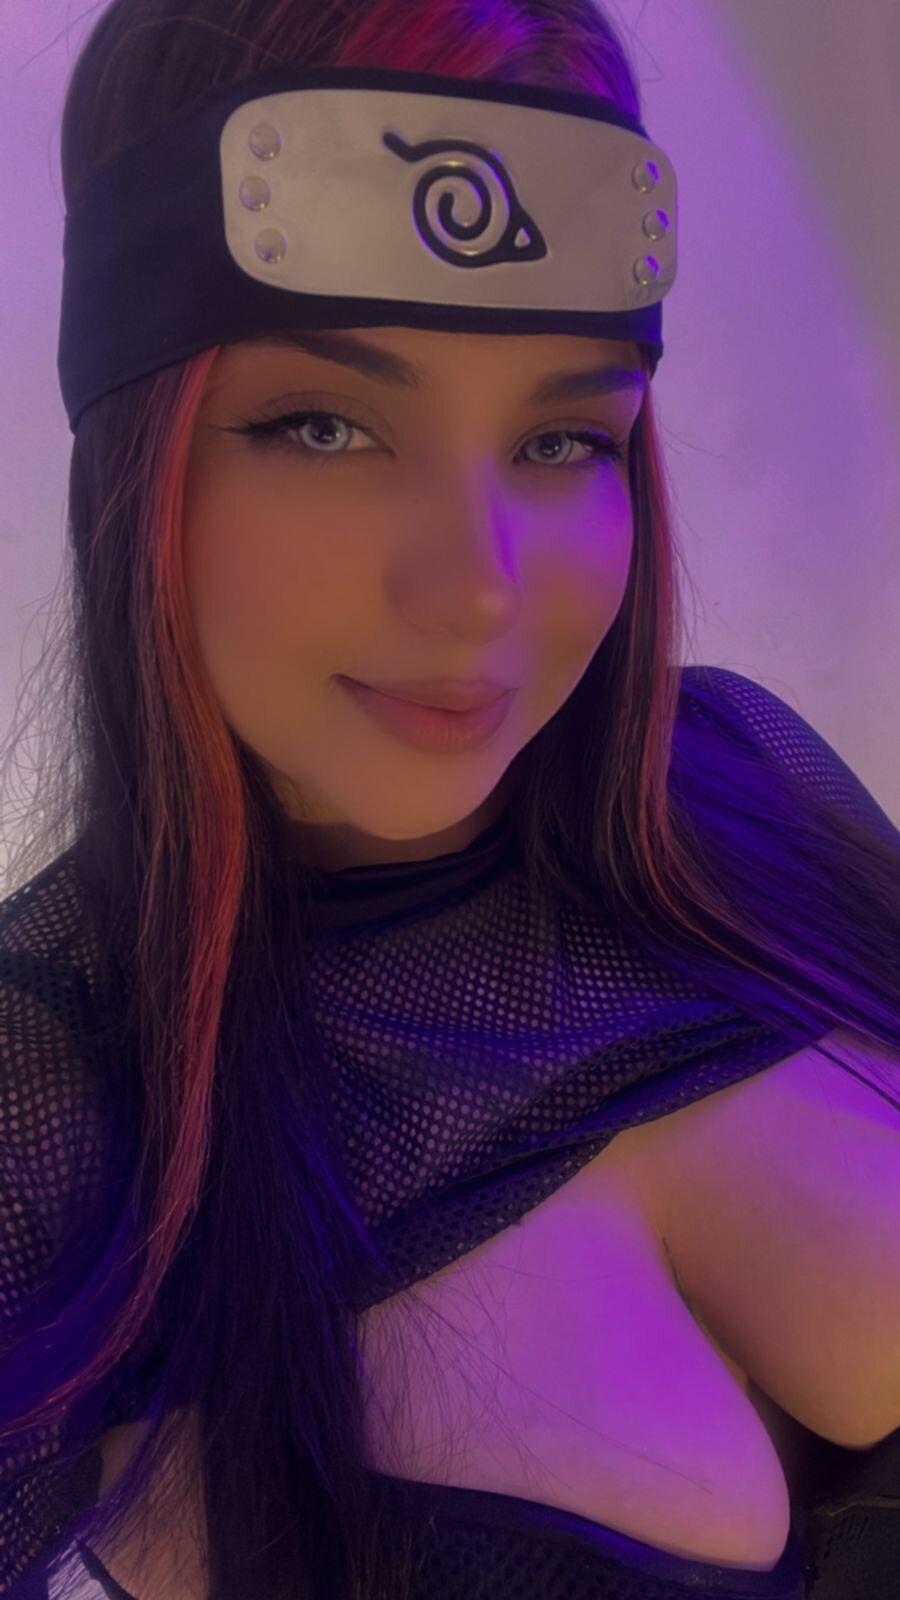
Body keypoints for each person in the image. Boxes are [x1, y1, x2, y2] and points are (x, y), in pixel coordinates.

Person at [2, 2, 899, 1597]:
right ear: (133, 457)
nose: (481, 590)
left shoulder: (738, 773)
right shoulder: (41, 1095)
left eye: (563, 438)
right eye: (326, 425)